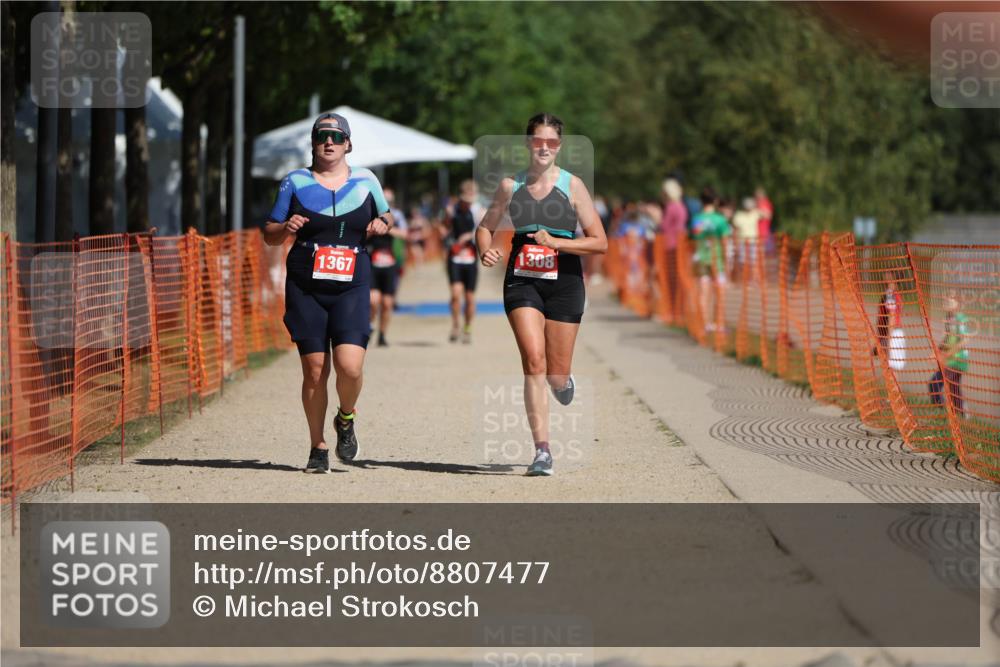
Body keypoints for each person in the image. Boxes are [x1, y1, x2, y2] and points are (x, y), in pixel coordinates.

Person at [262, 112, 395, 473]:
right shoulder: (295, 182)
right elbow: (269, 232)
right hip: (306, 284)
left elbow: (387, 216)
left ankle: (346, 418)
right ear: (314, 143)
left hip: (351, 281)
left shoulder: (367, 180)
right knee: (316, 370)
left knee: (350, 367)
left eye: (337, 137)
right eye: (322, 136)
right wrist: (285, 227)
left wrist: (383, 223)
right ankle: (317, 447)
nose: (329, 142)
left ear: (348, 144)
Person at [477, 113, 607, 476]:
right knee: (534, 361)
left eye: (552, 142)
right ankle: (543, 451)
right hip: (522, 278)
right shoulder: (509, 185)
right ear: (528, 144)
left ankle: (563, 382)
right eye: (538, 141)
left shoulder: (573, 186)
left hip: (565, 279)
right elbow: (485, 227)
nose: (544, 148)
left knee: (555, 375)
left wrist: (558, 243)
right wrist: (484, 249)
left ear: (559, 146)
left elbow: (600, 242)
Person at [440, 179, 484, 343]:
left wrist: (470, 236)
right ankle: (455, 325)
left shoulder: (479, 211)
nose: (468, 203)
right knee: (455, 294)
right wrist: (447, 237)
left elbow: (485, 231)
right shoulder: (451, 210)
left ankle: (467, 327)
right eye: (466, 199)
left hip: (470, 258)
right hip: (455, 258)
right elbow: (443, 227)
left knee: (470, 297)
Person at [368, 192, 409, 347]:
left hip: (390, 263)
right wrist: (373, 228)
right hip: (373, 262)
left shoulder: (397, 215)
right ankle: (370, 325)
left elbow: (405, 234)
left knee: (387, 303)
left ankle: (383, 335)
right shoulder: (371, 214)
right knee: (373, 300)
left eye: (390, 200)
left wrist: (387, 227)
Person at [690, 187, 731, 333]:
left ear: (701, 201)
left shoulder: (696, 219)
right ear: (715, 201)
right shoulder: (720, 220)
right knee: (719, 293)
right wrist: (727, 262)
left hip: (701, 258)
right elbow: (725, 242)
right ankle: (719, 324)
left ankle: (705, 324)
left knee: (703, 292)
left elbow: (694, 239)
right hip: (717, 259)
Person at [929, 292, 969, 419]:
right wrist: (938, 351)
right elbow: (947, 338)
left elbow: (965, 340)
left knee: (950, 384)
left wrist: (950, 353)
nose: (946, 302)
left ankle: (961, 411)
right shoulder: (949, 318)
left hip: (958, 359)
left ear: (957, 304)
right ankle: (956, 411)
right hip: (949, 359)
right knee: (944, 384)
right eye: (945, 300)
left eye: (950, 300)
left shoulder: (960, 318)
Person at [659, 178, 688, 323]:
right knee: (678, 279)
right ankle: (679, 310)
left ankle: (673, 311)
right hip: (680, 245)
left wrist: (656, 217)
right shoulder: (681, 206)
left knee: (671, 280)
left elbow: (664, 226)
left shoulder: (671, 207)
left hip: (670, 245)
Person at [873, 271, 905, 370]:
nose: (885, 274)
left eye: (889, 272)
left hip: (892, 334)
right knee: (892, 370)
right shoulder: (896, 294)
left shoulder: (890, 294)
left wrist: (888, 340)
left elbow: (892, 316)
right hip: (895, 333)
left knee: (890, 370)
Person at [731, 196, 761, 268]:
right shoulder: (738, 215)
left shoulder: (755, 213)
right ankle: (744, 277)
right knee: (742, 261)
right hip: (742, 241)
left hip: (754, 241)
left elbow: (767, 215)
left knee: (753, 261)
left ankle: (753, 277)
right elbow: (735, 230)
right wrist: (735, 242)